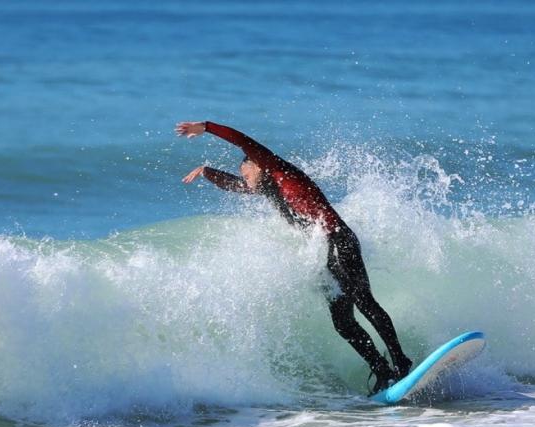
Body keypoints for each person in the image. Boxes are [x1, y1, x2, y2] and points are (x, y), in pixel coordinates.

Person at [175, 121, 412, 394]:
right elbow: (235, 186)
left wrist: (204, 127)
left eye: (248, 175)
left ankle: (401, 361)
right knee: (344, 324)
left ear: (259, 167)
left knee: (365, 302)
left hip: (340, 241)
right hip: (324, 250)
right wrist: (206, 172)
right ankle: (382, 371)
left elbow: (242, 140)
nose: (247, 182)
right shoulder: (266, 188)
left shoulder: (278, 169)